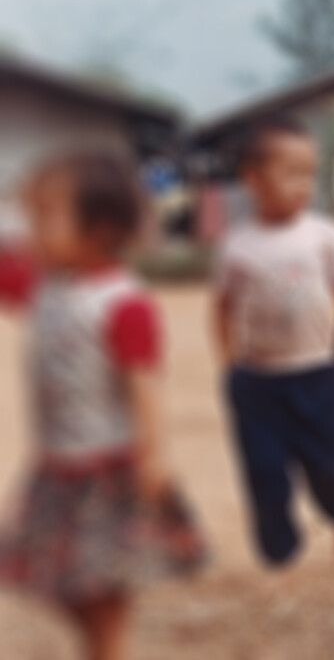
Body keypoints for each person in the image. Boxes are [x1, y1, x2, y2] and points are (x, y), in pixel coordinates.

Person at [0, 152, 206, 660]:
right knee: (56, 581)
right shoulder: (45, 284)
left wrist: (153, 456)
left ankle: (107, 649)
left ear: (100, 230)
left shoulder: (122, 301)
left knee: (105, 596)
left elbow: (144, 385)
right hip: (58, 469)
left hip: (108, 471)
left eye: (45, 217)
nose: (30, 231)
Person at [214, 118, 334, 569]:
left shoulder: (325, 235)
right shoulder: (237, 245)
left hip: (318, 374)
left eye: (309, 173)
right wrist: (230, 363)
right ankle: (280, 556)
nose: (304, 184)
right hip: (258, 382)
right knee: (264, 473)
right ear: (252, 178)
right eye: (290, 173)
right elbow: (223, 308)